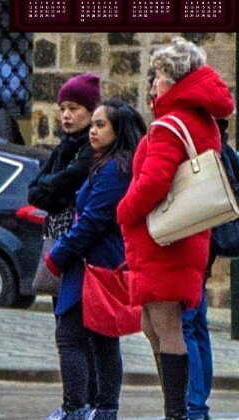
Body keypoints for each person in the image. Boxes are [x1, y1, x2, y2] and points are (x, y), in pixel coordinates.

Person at [117, 37, 234, 420]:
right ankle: (177, 408)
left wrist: (124, 210)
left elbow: (153, 182)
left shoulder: (171, 124)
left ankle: (176, 413)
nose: (153, 85)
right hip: (184, 236)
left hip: (164, 238)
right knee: (157, 324)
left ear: (174, 80)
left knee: (165, 325)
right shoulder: (199, 118)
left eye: (159, 76)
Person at [44, 99, 146, 420]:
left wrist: (57, 255)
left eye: (101, 124)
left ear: (119, 130)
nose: (93, 131)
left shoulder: (116, 169)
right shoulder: (110, 163)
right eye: (94, 124)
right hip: (95, 262)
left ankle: (77, 408)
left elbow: (93, 219)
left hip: (94, 265)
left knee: (72, 336)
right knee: (102, 339)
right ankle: (102, 409)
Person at [27, 73, 100, 420]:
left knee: (76, 329)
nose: (66, 116)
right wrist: (50, 189)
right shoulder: (62, 150)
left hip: (76, 247)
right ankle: (81, 402)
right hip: (56, 241)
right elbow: (36, 189)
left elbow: (66, 185)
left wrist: (50, 190)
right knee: (65, 324)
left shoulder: (91, 152)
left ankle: (82, 404)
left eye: (74, 108)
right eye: (62, 109)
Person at [181, 120, 234, 420]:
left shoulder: (206, 151)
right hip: (207, 249)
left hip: (198, 245)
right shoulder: (224, 149)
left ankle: (195, 405)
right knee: (197, 324)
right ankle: (198, 403)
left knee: (187, 324)